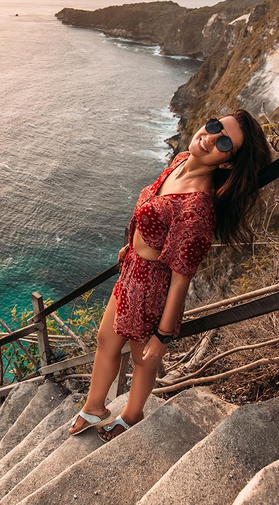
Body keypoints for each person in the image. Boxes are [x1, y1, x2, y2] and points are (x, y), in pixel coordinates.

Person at [67, 109, 272, 441]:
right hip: (132, 270)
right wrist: (130, 245)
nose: (210, 138)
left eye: (224, 143)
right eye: (214, 126)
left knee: (143, 358)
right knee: (106, 339)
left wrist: (162, 337)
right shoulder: (180, 160)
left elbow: (181, 278)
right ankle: (94, 407)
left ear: (227, 163)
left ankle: (131, 415)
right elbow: (150, 213)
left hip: (153, 288)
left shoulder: (197, 208)